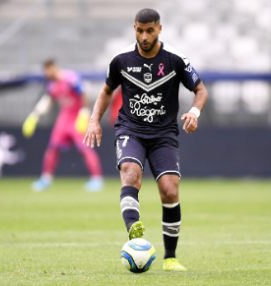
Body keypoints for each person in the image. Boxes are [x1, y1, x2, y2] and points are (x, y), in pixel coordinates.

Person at [83, 8, 208, 271]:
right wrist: (94, 120)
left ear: (159, 29)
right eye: (140, 30)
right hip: (131, 129)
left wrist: (194, 112)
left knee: (170, 190)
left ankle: (170, 258)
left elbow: (200, 89)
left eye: (149, 30)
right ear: (134, 29)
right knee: (131, 173)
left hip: (163, 135)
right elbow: (107, 91)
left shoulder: (175, 59)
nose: (144, 36)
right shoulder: (121, 60)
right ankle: (135, 235)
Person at [23, 60, 104, 192]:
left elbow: (85, 94)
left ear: (54, 68)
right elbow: (48, 100)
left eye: (48, 69)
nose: (46, 73)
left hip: (77, 118)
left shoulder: (70, 78)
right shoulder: (51, 85)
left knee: (85, 148)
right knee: (53, 148)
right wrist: (35, 116)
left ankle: (96, 179)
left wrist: (84, 113)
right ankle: (46, 179)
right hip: (64, 118)